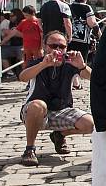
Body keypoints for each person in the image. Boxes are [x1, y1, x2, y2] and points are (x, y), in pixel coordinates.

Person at [18, 31, 94, 166]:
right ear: (45, 46)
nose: (58, 50)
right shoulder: (38, 62)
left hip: (61, 110)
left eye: (62, 46)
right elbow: (23, 77)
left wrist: (82, 66)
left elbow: (94, 78)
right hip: (35, 112)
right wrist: (44, 65)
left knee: (90, 124)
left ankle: (60, 135)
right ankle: (29, 149)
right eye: (53, 46)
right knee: (38, 105)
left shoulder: (70, 64)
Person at [68, 0, 98, 91]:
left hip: (70, 38)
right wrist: (100, 35)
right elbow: (92, 23)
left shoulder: (69, 6)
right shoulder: (87, 7)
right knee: (80, 62)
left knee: (69, 60)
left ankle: (73, 82)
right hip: (82, 39)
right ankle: (75, 83)